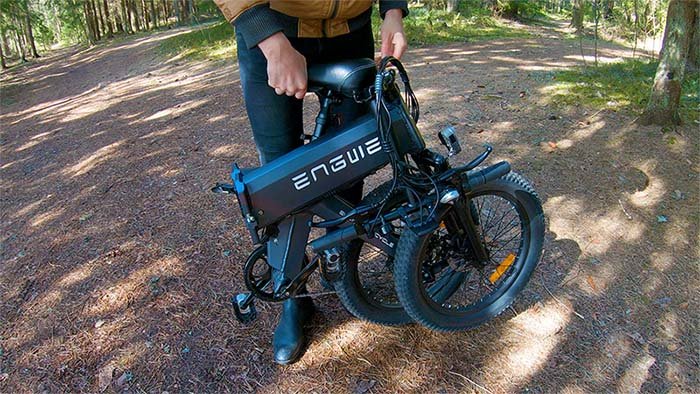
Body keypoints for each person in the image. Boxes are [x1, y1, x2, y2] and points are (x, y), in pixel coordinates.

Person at [213, 0, 409, 365]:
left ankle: (339, 266)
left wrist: (393, 11)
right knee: (280, 180)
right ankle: (294, 297)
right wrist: (270, 40)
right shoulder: (270, 38)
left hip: (351, 31)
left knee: (349, 161)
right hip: (274, 30)